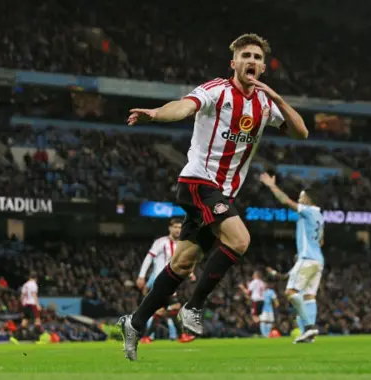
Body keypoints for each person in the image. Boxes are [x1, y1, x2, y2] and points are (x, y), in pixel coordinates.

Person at [118, 32, 308, 361]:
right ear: (233, 62)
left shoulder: (264, 104)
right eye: (246, 55)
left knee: (182, 262)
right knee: (239, 239)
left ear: (263, 67)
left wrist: (276, 97)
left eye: (258, 57)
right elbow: (184, 106)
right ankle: (193, 307)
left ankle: (135, 322)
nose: (252, 61)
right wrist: (157, 114)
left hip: (223, 192)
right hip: (197, 182)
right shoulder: (216, 91)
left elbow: (301, 131)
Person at [260, 173, 324, 343]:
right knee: (309, 296)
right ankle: (309, 335)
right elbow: (321, 240)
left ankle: (310, 327)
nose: (299, 199)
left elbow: (285, 202)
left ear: (308, 200)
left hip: (307, 258)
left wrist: (271, 186)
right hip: (318, 260)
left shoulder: (308, 211)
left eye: (301, 197)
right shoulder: (320, 216)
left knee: (290, 292)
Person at [136, 219, 194, 343]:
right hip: (160, 280)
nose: (178, 230)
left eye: (180, 227)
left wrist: (190, 273)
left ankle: (146, 337)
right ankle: (181, 335)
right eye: (176, 227)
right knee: (174, 306)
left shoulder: (181, 244)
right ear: (170, 228)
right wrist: (141, 276)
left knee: (161, 311)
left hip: (170, 281)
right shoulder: (161, 242)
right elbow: (149, 258)